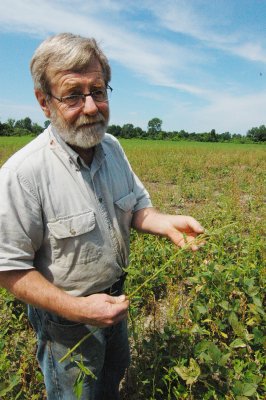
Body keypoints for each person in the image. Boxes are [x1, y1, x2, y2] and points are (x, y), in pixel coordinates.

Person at [0, 33, 204, 400]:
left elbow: (137, 207)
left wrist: (164, 223)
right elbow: (9, 268)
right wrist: (80, 309)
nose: (92, 107)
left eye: (98, 90)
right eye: (74, 95)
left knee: (111, 380)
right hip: (66, 324)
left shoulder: (111, 148)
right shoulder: (23, 174)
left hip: (115, 305)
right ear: (44, 102)